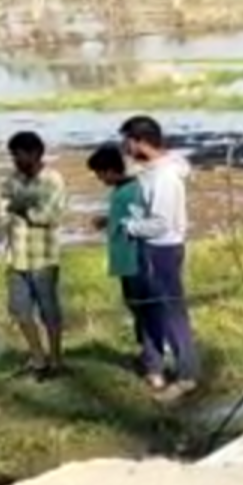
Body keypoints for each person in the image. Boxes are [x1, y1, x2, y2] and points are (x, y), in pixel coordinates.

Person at [118, 115, 198, 398]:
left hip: (160, 248)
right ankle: (154, 367)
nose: (124, 147)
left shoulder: (164, 177)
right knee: (148, 308)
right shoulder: (151, 168)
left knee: (172, 312)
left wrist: (127, 226)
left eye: (127, 140)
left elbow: (161, 222)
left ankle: (186, 374)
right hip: (150, 247)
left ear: (140, 141)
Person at [0, 130, 68, 378]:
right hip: (15, 257)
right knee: (20, 310)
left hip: (43, 258)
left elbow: (49, 217)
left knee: (49, 311)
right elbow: (2, 213)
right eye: (13, 156)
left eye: (19, 155)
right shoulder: (11, 180)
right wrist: (22, 208)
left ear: (36, 154)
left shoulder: (52, 180)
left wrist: (21, 208)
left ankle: (57, 360)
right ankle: (38, 357)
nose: (15, 161)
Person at [88, 145, 162, 379]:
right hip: (125, 261)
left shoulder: (131, 190)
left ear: (110, 170)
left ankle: (154, 364)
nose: (99, 179)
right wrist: (108, 220)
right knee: (136, 307)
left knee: (144, 309)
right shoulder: (121, 189)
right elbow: (125, 217)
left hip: (135, 261)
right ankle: (148, 354)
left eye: (99, 174)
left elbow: (140, 221)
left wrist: (119, 224)